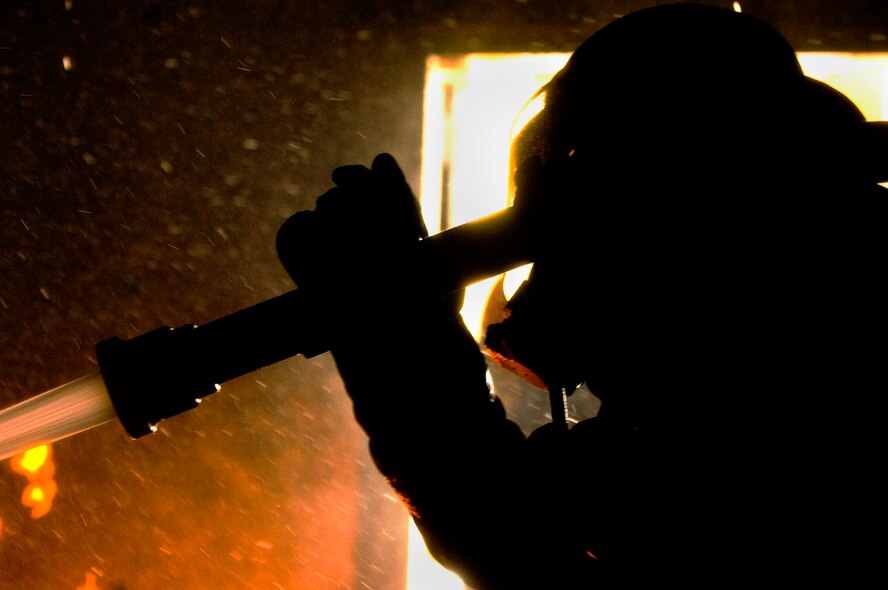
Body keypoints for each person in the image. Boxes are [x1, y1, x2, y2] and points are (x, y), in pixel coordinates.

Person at [276, 4, 887, 588]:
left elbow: (514, 550)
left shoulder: (766, 411)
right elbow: (513, 523)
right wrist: (405, 334)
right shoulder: (757, 373)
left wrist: (398, 333)